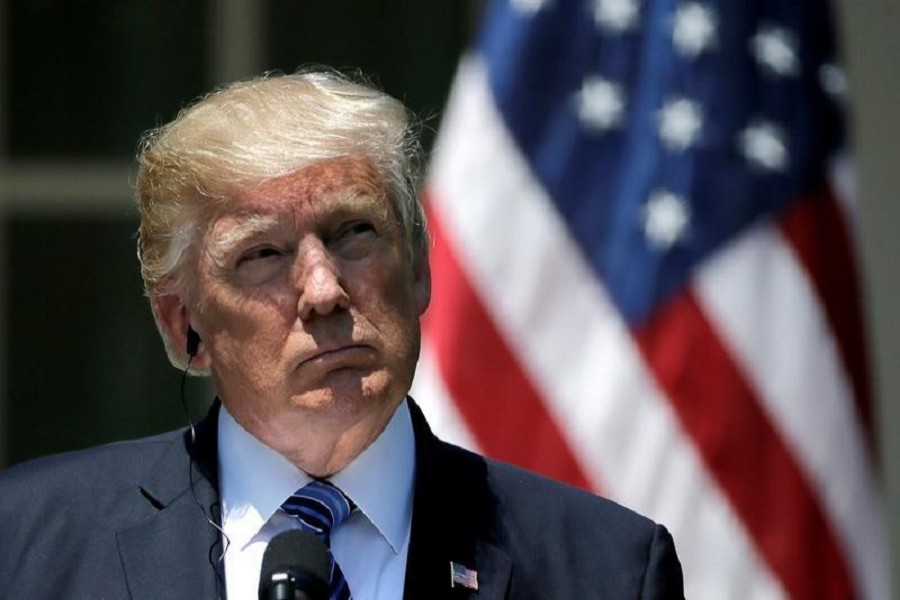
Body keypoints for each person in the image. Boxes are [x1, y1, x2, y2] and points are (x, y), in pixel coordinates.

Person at [0, 70, 684, 599]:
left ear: (417, 271)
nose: (324, 291)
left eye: (354, 233)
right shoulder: (26, 543)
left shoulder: (607, 569)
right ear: (185, 326)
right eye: (263, 255)